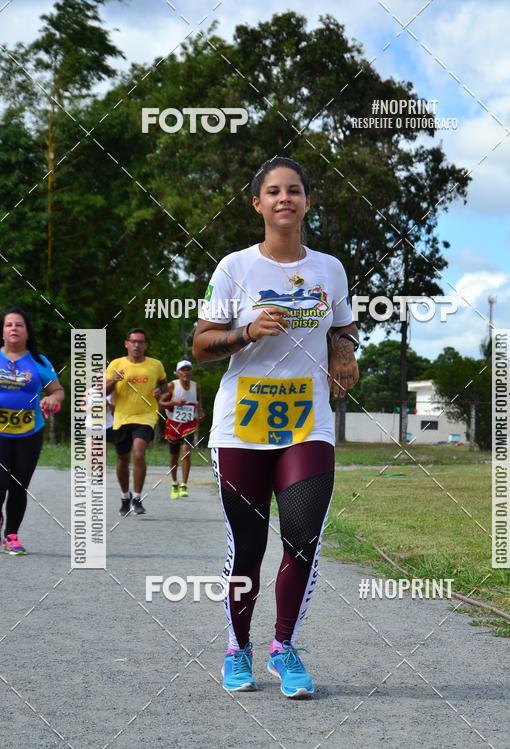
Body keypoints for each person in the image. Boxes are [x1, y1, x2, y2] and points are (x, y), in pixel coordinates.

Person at [193, 156, 360, 698]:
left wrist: (344, 352)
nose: (284, 198)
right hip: (242, 425)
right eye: (273, 191)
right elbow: (200, 345)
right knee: (246, 545)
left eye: (294, 190)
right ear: (258, 204)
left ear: (307, 202)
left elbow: (343, 325)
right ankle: (236, 649)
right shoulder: (235, 269)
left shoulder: (329, 269)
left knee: (303, 539)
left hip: (307, 423)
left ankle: (283, 648)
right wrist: (245, 331)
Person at [0, 306, 64, 554]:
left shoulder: (39, 362)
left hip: (29, 432)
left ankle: (11, 536)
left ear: (27, 333)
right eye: (9, 325)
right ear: (3, 332)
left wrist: (52, 400)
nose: (14, 328)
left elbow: (57, 391)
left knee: (18, 485)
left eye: (19, 325)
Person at [105, 328, 168, 516]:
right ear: (126, 344)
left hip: (146, 416)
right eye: (133, 341)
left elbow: (164, 383)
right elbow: (103, 392)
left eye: (140, 342)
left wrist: (160, 390)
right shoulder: (116, 364)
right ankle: (125, 496)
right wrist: (114, 380)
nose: (137, 345)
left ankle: (137, 497)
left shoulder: (155, 365)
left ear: (145, 345)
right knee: (122, 459)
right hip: (122, 418)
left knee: (139, 454)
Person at [159, 360, 204, 498]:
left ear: (192, 371)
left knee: (186, 451)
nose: (185, 372)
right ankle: (174, 483)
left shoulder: (196, 387)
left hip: (189, 424)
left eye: (188, 369)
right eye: (183, 370)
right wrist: (174, 402)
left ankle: (184, 484)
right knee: (174, 455)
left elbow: (199, 402)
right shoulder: (172, 385)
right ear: (178, 372)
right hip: (173, 423)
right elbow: (161, 403)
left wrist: (200, 412)